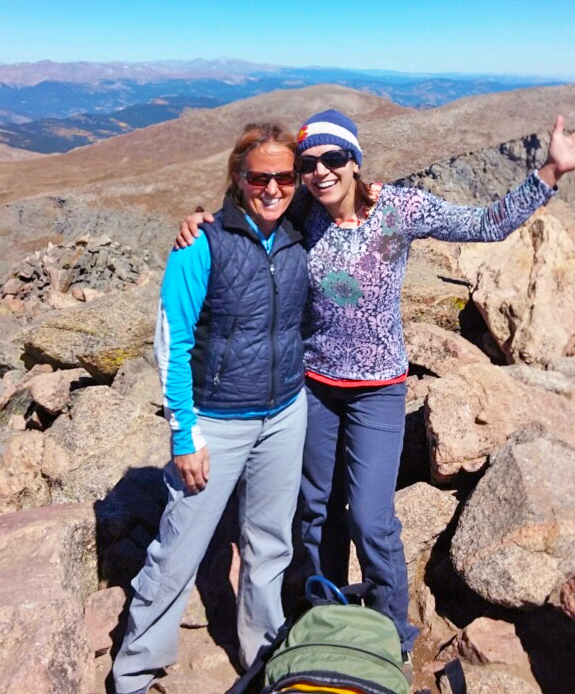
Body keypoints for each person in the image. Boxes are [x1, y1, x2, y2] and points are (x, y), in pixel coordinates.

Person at [177, 108, 575, 660]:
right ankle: (327, 612)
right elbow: (253, 212)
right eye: (310, 162)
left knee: (369, 516)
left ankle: (392, 633)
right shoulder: (301, 214)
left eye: (333, 158)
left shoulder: (400, 208)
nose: (320, 171)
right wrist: (202, 221)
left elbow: (484, 224)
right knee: (314, 508)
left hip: (377, 388)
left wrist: (550, 173)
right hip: (312, 386)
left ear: (354, 161)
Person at [113, 122, 309, 694]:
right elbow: (172, 344)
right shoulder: (200, 243)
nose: (272, 188)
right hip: (217, 421)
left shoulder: (300, 231)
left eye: (284, 177)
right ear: (237, 177)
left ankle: (262, 654)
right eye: (259, 177)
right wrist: (183, 433)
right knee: (179, 547)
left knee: (270, 543)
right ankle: (134, 672)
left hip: (284, 412)